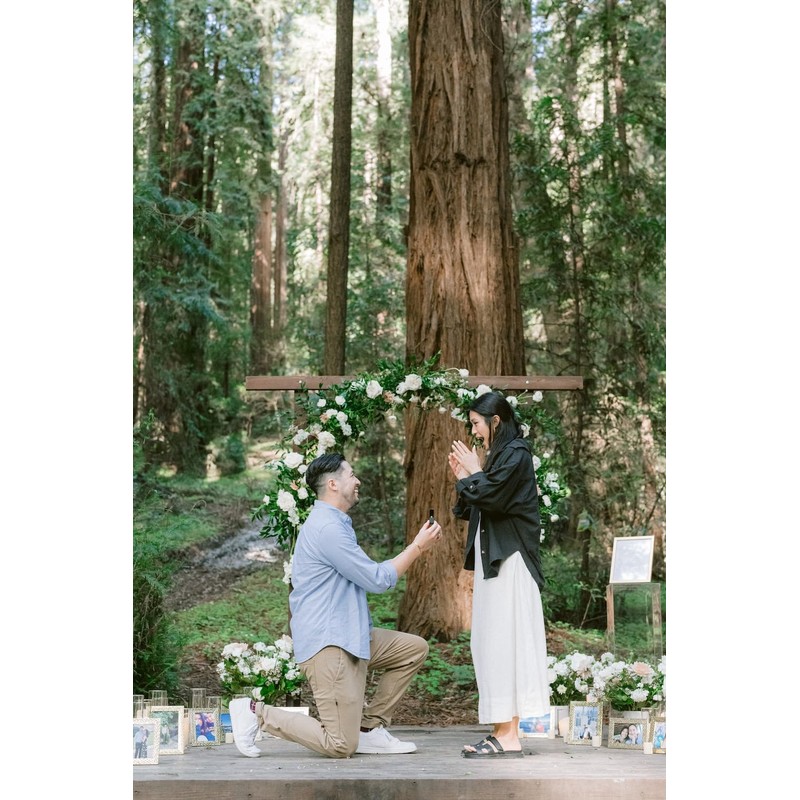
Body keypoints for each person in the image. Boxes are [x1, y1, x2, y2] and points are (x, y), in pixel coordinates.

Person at [230, 452, 443, 759]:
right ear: (333, 484)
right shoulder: (326, 529)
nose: (357, 481)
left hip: (352, 635)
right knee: (340, 744)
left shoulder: (336, 523)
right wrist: (417, 547)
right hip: (331, 644)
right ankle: (256, 713)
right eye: (351, 475)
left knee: (412, 649)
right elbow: (378, 579)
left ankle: (369, 730)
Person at [448, 391, 550, 759]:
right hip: (494, 564)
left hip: (510, 562)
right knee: (490, 644)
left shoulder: (516, 454)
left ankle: (508, 735)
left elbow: (493, 498)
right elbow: (473, 504)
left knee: (504, 643)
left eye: (476, 423)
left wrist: (475, 475)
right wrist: (466, 478)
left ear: (495, 421)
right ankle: (500, 731)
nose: (473, 431)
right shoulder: (497, 458)